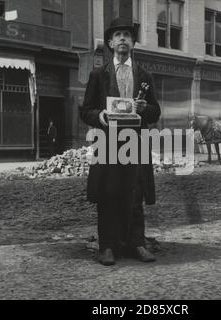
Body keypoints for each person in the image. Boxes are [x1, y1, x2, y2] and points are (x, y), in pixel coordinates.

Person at [79, 18, 161, 266]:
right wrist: (100, 116)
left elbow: (155, 112)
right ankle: (107, 247)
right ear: (110, 42)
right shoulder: (98, 74)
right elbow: (85, 111)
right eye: (118, 35)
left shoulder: (144, 75)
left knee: (135, 192)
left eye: (127, 34)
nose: (123, 38)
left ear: (133, 42)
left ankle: (137, 243)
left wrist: (145, 108)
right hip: (107, 141)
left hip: (134, 141)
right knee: (108, 193)